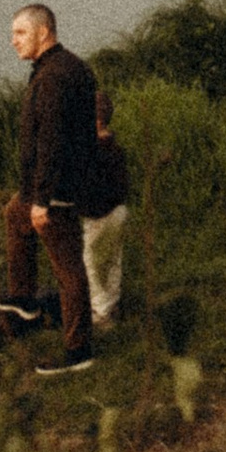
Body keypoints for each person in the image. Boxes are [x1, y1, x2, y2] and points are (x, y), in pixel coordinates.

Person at [0, 1, 101, 373]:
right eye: (12, 34)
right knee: (14, 212)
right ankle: (23, 298)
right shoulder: (65, 66)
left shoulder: (54, 76)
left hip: (57, 188)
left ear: (43, 33)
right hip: (60, 183)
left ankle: (78, 351)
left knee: (68, 268)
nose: (13, 41)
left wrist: (42, 201)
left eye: (20, 33)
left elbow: (53, 142)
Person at [80, 81, 132, 336]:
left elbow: (89, 188)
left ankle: (101, 313)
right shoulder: (115, 147)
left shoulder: (93, 152)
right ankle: (113, 304)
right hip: (119, 211)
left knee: (92, 262)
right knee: (113, 261)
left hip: (100, 216)